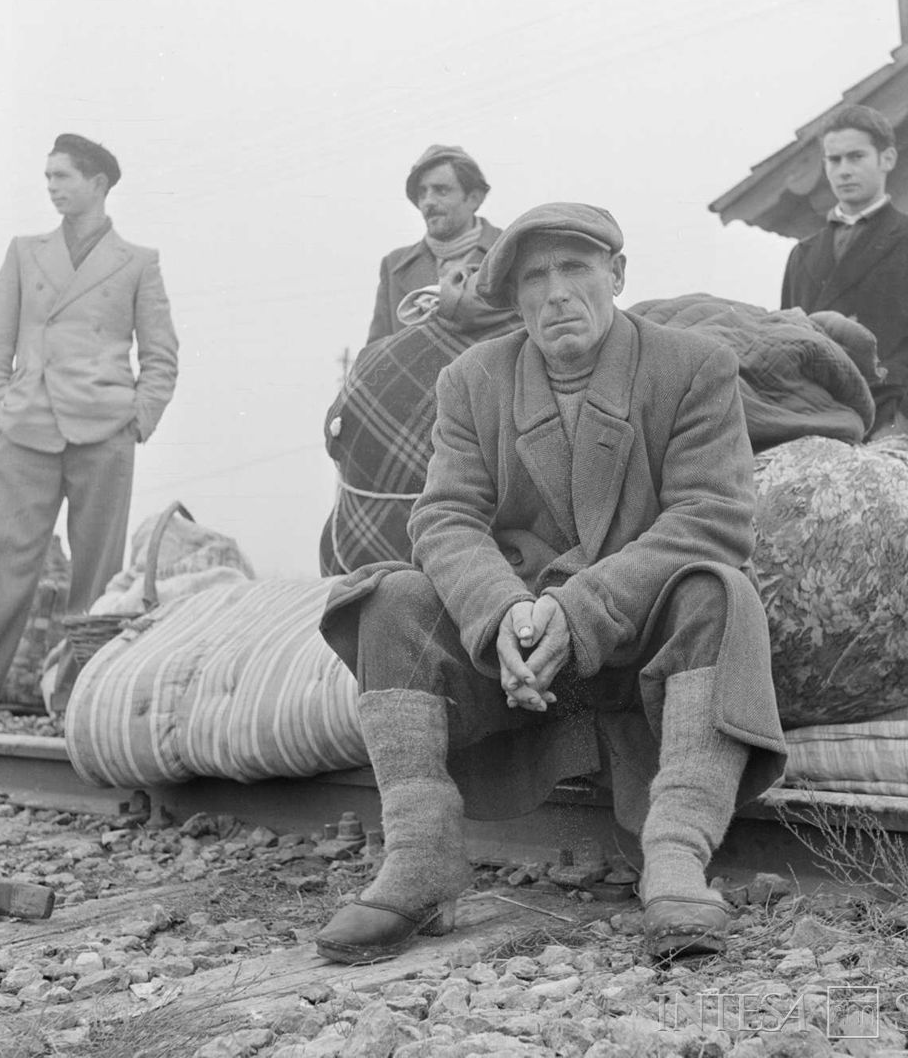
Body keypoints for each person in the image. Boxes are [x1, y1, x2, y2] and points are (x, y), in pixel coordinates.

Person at [318, 202, 786, 964]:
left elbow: (711, 517)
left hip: (635, 649)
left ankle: (675, 856)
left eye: (575, 267)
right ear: (514, 299)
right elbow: (443, 517)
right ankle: (421, 856)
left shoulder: (693, 366)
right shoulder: (472, 379)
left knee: (723, 595)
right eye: (534, 277)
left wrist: (580, 609)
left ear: (618, 275)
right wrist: (500, 612)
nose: (557, 291)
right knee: (384, 599)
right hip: (516, 663)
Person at [0, 134, 178, 729]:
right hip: (27, 426)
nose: (51, 186)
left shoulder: (138, 261)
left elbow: (161, 356)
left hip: (104, 433)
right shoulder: (25, 252)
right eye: (47, 176)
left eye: (63, 176)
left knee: (97, 575)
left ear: (98, 184)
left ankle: (83, 700)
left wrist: (137, 418)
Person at [780, 105, 908, 441]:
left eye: (856, 157)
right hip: (814, 424)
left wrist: (904, 424)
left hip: (883, 418)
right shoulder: (802, 255)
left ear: (887, 159)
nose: (844, 171)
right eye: (834, 160)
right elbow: (786, 348)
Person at [366, 144, 502, 344]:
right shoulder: (394, 265)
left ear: (474, 198)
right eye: (422, 193)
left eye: (441, 191)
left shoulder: (509, 252)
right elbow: (377, 356)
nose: (428, 201)